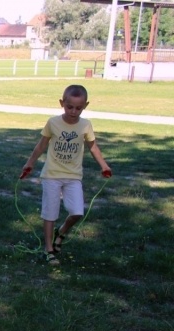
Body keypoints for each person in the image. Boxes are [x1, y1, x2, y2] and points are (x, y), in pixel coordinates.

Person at [20, 84, 112, 266]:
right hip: (52, 175)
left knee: (78, 212)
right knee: (50, 213)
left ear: (85, 106)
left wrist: (104, 166)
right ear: (62, 103)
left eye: (78, 108)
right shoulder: (53, 122)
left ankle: (61, 232)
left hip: (73, 176)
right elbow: (41, 146)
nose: (73, 111)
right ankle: (48, 250)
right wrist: (29, 163)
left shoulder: (86, 125)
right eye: (69, 107)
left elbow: (93, 147)